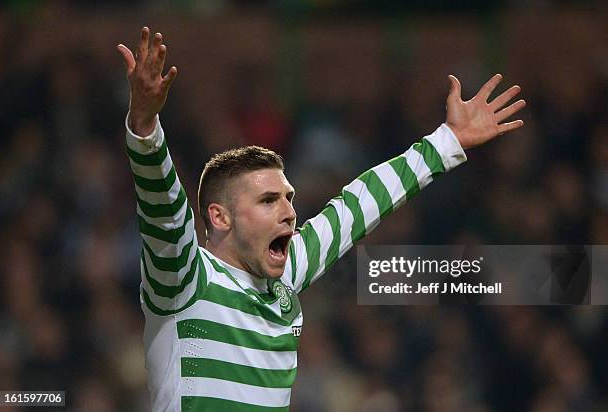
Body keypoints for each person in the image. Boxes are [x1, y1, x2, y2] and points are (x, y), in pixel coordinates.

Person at [117, 27, 525, 411]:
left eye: (289, 198)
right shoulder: (185, 277)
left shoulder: (286, 272)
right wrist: (145, 125)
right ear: (220, 217)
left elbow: (359, 205)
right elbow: (164, 208)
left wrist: (447, 141)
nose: (289, 211)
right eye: (268, 201)